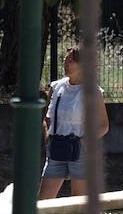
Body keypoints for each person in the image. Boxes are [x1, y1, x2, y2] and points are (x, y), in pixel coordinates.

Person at [39, 47, 109, 200]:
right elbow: (48, 118)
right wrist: (48, 138)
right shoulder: (56, 87)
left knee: (78, 201)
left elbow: (103, 125)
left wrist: (83, 141)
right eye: (66, 58)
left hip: (80, 151)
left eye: (70, 60)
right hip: (57, 148)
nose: (65, 62)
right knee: (44, 200)